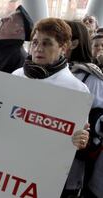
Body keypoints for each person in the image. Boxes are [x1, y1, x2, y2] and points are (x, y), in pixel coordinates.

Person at [10, 18, 91, 197]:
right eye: (36, 42)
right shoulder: (16, 76)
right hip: (9, 164)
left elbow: (78, 140)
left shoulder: (77, 90)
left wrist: (81, 140)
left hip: (43, 174)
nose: (38, 48)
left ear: (63, 47)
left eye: (47, 43)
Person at [64, 20, 103, 198]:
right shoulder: (40, 71)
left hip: (71, 160)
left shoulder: (92, 78)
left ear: (74, 43)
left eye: (60, 37)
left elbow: (98, 119)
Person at [0, 5, 33, 73]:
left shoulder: (16, 58)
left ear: (17, 31)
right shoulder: (2, 50)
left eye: (9, 19)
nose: (2, 19)